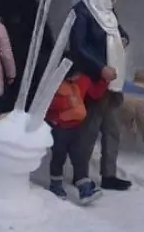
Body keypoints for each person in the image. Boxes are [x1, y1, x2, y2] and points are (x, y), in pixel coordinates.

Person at [69, 0, 133, 192]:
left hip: (114, 81)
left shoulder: (108, 10)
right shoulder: (82, 12)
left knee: (112, 129)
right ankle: (80, 175)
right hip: (95, 82)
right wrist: (100, 67)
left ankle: (109, 174)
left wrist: (124, 38)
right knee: (89, 129)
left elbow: (118, 30)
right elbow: (78, 46)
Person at [44, 68, 109, 204]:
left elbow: (94, 93)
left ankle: (84, 189)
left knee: (80, 157)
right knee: (58, 156)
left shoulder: (82, 81)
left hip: (76, 127)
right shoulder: (55, 83)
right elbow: (48, 103)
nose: (78, 76)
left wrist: (104, 81)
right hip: (59, 128)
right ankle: (56, 185)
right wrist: (65, 103)